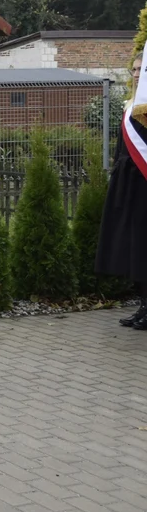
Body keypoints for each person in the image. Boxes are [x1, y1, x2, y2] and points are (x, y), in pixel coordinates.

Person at [97, 51, 147, 329]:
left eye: (143, 69)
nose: (137, 74)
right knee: (134, 248)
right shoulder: (132, 105)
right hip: (129, 182)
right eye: (135, 69)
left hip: (144, 183)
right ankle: (143, 305)